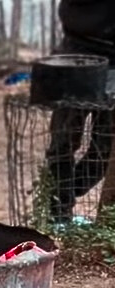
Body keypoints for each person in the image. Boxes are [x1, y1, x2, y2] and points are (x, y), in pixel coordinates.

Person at [43, 1, 115, 222]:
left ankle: (63, 196)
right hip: (75, 49)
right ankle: (59, 211)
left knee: (104, 150)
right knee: (62, 143)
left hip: (114, 62)